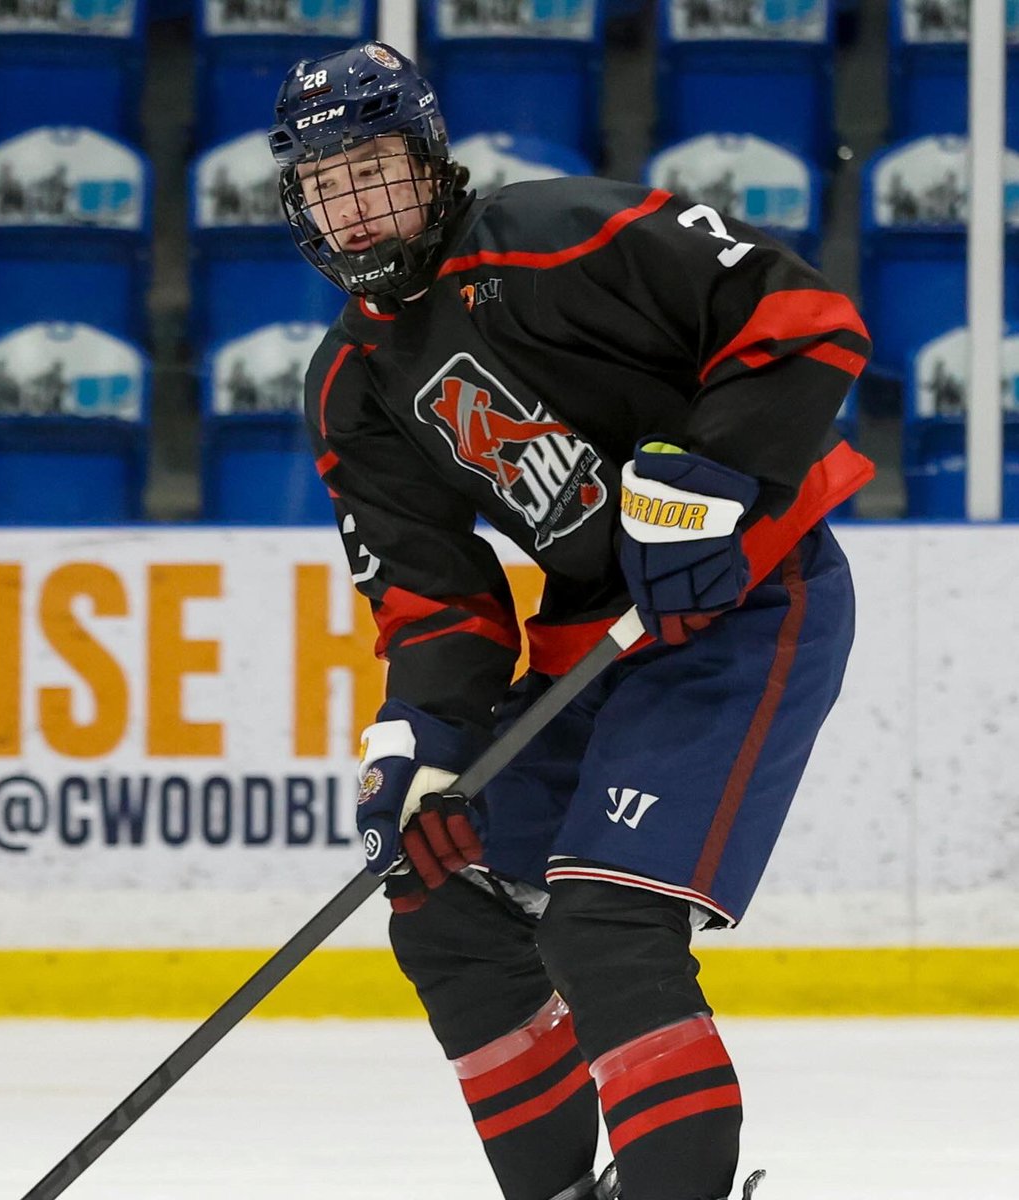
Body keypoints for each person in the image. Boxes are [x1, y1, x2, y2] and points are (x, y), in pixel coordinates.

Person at [269, 41, 873, 1200]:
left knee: (605, 923)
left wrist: (707, 475)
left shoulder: (560, 233)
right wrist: (424, 744)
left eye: (374, 169)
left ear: (430, 163)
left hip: (750, 597)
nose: (353, 204)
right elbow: (431, 591)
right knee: (439, 895)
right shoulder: (350, 380)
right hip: (589, 643)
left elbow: (801, 315)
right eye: (324, 182)